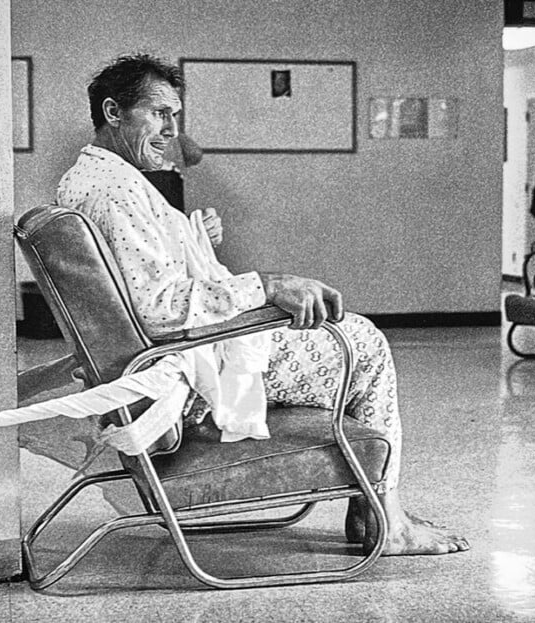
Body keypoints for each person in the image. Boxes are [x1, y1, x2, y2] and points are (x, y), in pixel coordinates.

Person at [56, 53, 469, 555]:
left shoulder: (87, 179)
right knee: (363, 343)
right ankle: (386, 519)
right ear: (113, 111)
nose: (171, 128)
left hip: (160, 357)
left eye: (176, 114)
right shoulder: (118, 191)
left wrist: (190, 238)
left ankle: (374, 506)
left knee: (349, 342)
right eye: (159, 113)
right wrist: (267, 285)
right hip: (180, 373)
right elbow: (160, 307)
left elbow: (142, 272)